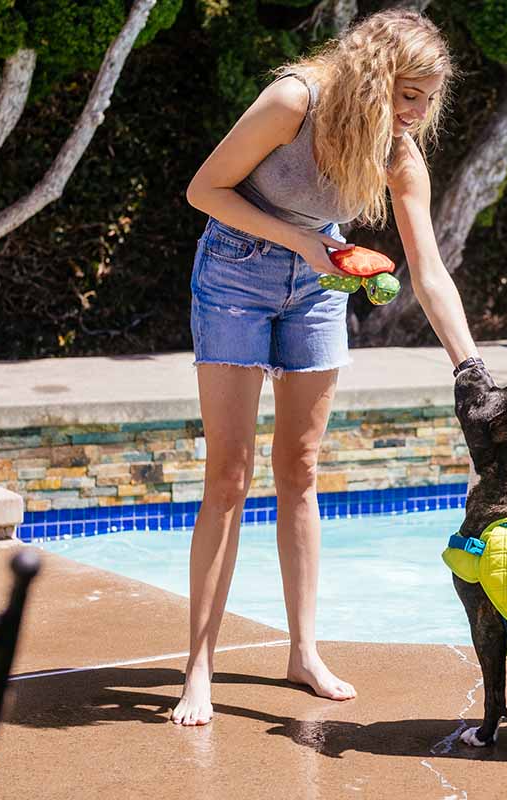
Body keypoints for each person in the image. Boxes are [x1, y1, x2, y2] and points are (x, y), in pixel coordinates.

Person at [175, 9, 483, 725]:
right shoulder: (294, 99)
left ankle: (302, 652)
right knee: (228, 475)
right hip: (235, 273)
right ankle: (198, 668)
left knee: (301, 470)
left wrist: (472, 367)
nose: (417, 113)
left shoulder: (398, 152)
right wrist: (303, 244)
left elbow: (429, 272)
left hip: (318, 284)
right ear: (374, 77)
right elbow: (205, 191)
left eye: (429, 99)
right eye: (408, 94)